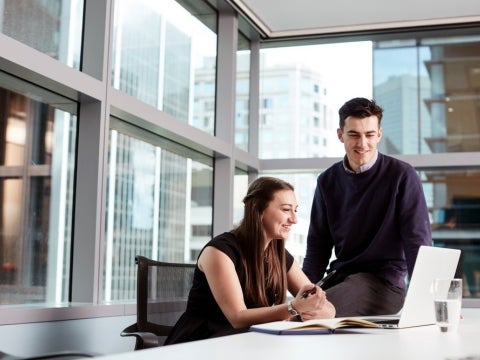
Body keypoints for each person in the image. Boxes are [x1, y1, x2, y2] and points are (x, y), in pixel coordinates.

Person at [302, 97, 432, 317]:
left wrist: (431, 301)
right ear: (340, 135)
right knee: (298, 305)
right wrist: (302, 290)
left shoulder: (402, 176)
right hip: (341, 277)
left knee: (309, 312)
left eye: (369, 135)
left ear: (379, 134)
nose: (362, 143)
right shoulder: (327, 181)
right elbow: (318, 246)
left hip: (384, 283)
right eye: (353, 135)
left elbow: (417, 242)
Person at [165, 176, 335, 345]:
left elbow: (330, 311)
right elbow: (237, 318)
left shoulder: (279, 255)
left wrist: (317, 303)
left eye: (295, 210)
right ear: (258, 210)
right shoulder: (219, 252)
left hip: (246, 342)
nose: (294, 219)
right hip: (202, 343)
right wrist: (295, 308)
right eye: (285, 209)